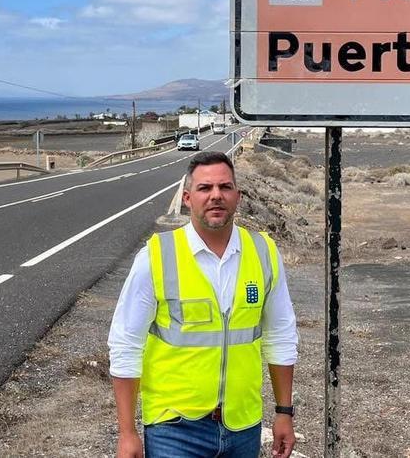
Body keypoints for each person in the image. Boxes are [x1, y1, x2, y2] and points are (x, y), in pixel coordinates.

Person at [108, 150, 298, 458]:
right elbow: (126, 344)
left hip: (243, 426)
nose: (216, 196)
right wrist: (127, 433)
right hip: (175, 428)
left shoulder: (264, 253)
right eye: (204, 188)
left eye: (224, 187)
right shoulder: (157, 256)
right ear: (186, 198)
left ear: (238, 195)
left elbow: (280, 335)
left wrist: (284, 412)